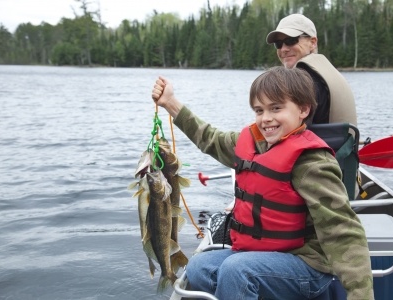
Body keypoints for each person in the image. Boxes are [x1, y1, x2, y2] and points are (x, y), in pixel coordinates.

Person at [151, 66, 374, 300]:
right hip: (264, 254)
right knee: (198, 268)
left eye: (276, 108)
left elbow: (343, 231)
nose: (266, 118)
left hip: (308, 268)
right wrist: (170, 103)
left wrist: (361, 295)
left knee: (237, 271)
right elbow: (210, 138)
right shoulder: (253, 142)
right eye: (259, 110)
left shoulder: (312, 164)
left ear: (303, 109)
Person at [266, 14, 357, 126]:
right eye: (278, 44)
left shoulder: (304, 76)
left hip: (319, 143)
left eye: (291, 40)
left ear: (312, 42)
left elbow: (289, 131)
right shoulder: (325, 70)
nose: (284, 49)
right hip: (339, 143)